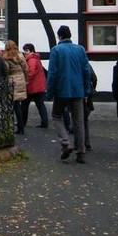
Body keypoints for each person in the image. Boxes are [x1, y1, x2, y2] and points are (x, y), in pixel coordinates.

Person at [46, 25, 92, 164]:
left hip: (61, 90)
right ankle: (81, 152)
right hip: (78, 90)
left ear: (59, 36)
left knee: (57, 116)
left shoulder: (56, 50)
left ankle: (66, 143)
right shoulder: (80, 49)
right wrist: (86, 91)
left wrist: (49, 91)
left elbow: (52, 73)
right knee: (78, 121)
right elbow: (86, 71)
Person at [3, 40, 29, 134]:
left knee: (14, 104)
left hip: (12, 80)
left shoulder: (6, 57)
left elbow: (6, 70)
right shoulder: (20, 55)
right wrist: (26, 79)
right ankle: (21, 126)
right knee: (18, 104)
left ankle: (17, 126)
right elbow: (26, 68)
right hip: (21, 79)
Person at [21, 43, 49, 129]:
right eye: (24, 50)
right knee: (40, 105)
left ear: (31, 51)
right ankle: (44, 122)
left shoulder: (31, 60)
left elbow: (30, 73)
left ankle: (22, 122)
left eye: (27, 50)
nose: (25, 52)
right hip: (38, 86)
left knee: (24, 105)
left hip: (32, 87)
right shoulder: (36, 58)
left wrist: (25, 81)